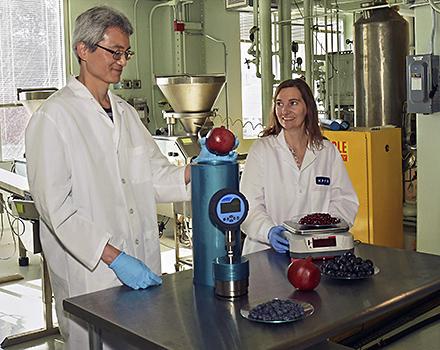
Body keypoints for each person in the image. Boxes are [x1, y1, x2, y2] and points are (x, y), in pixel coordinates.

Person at [25, 6, 191, 349]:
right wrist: (114, 256)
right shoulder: (54, 117)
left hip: (137, 262)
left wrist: (197, 172)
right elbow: (55, 207)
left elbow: (153, 175)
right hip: (90, 270)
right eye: (114, 51)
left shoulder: (126, 114)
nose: (122, 60)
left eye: (126, 52)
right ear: (82, 50)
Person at [240, 78, 359, 254]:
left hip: (316, 251)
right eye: (279, 104)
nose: (284, 111)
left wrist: (325, 230)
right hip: (266, 251)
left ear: (307, 107)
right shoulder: (262, 149)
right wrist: (268, 231)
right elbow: (249, 204)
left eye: (293, 103)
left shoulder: (327, 151)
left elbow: (344, 200)